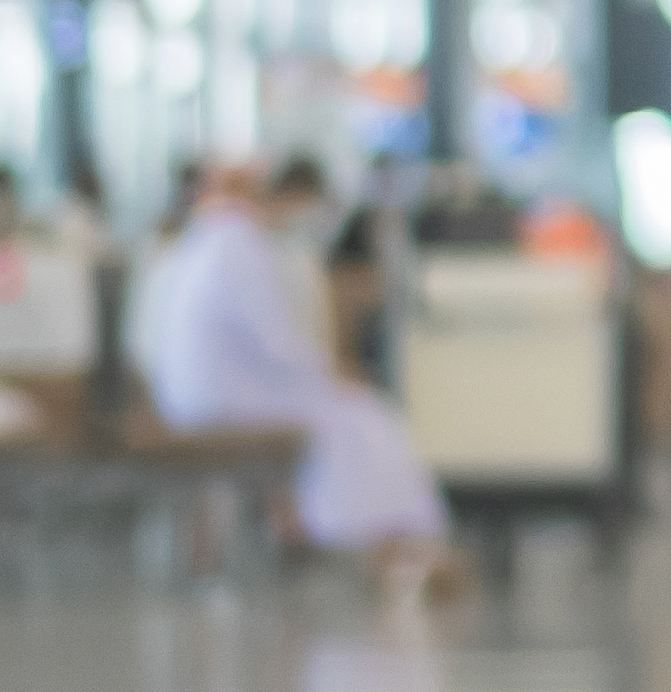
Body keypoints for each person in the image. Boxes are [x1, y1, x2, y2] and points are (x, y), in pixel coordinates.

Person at [132, 159, 463, 603]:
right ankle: (391, 545)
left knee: (351, 415)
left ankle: (391, 544)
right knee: (363, 416)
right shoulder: (238, 246)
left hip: (195, 393)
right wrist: (332, 373)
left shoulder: (200, 243)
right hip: (222, 398)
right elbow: (277, 343)